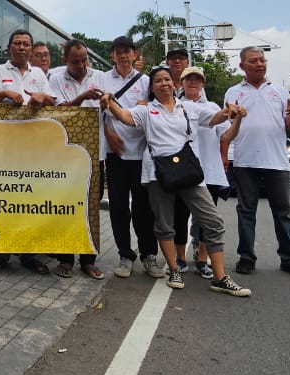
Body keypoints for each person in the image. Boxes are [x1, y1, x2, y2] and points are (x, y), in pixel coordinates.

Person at [102, 66, 251, 296]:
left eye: (167, 79)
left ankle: (220, 277)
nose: (164, 84)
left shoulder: (188, 108)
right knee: (164, 224)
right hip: (157, 173)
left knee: (212, 221)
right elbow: (124, 116)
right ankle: (174, 269)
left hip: (188, 172)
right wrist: (109, 101)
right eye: (158, 81)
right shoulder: (146, 111)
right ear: (151, 87)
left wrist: (230, 112)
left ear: (174, 83)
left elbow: (214, 119)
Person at [223, 47, 290, 278]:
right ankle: (246, 257)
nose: (260, 64)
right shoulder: (233, 92)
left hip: (277, 161)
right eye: (253, 60)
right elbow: (228, 126)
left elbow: (289, 126)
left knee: (283, 212)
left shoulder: (280, 92)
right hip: (245, 160)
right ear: (242, 66)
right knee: (246, 210)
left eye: (262, 60)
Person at [0, 29, 56, 274]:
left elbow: (53, 102)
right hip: (1, 146)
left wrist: (42, 96)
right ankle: (0, 253)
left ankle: (28, 253)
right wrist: (4, 94)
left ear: (31, 50)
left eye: (26, 44)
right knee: (2, 199)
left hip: (31, 147)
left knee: (28, 200)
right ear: (9, 47)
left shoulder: (39, 74)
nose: (22, 48)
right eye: (17, 43)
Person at [102, 36, 163, 280]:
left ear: (135, 54)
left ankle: (149, 254)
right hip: (115, 153)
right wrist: (107, 134)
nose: (123, 55)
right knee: (118, 208)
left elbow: (158, 113)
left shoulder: (148, 82)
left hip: (142, 154)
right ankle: (125, 255)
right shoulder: (102, 79)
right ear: (112, 55)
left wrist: (146, 105)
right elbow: (97, 113)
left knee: (144, 208)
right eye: (118, 51)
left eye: (127, 51)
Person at [48, 39, 106, 280]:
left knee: (91, 205)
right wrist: (83, 96)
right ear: (65, 60)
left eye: (84, 60)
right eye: (75, 61)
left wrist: (106, 102)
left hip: (95, 154)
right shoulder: (56, 78)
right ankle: (65, 259)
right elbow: (60, 112)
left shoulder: (101, 77)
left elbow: (111, 108)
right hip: (66, 154)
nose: (81, 65)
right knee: (65, 204)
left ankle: (88, 259)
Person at [181, 66, 230, 279]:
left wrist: (225, 156)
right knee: (180, 216)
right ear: (181, 83)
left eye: (197, 79)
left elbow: (224, 133)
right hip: (182, 170)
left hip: (209, 170)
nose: (193, 82)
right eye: (189, 79)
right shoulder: (174, 105)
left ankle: (202, 260)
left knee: (206, 220)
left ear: (203, 84)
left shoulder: (212, 107)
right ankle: (179, 259)